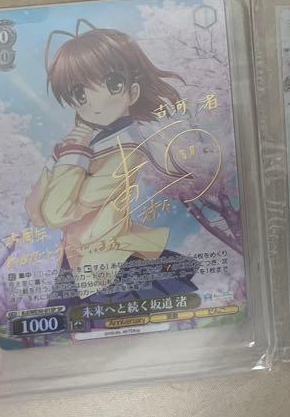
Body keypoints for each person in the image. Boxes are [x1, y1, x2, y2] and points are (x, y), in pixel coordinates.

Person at [26, 21, 199, 306]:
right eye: (80, 93)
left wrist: (70, 156)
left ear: (132, 92)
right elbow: (36, 212)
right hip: (78, 264)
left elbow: (56, 213)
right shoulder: (86, 147)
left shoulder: (125, 151)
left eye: (112, 84)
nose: (94, 103)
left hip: (109, 267)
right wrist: (63, 156)